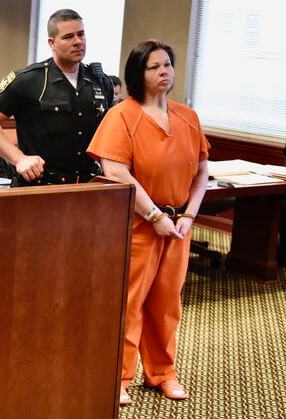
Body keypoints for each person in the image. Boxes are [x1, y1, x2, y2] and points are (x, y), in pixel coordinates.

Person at [87, 39, 209, 405]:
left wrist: (189, 215)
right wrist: (154, 216)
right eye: (154, 67)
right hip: (138, 223)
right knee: (130, 301)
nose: (164, 72)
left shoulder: (187, 115)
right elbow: (116, 171)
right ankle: (120, 376)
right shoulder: (122, 114)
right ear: (138, 73)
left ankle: (163, 373)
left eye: (168, 65)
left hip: (178, 226)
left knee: (167, 302)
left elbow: (203, 171)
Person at [0, 9, 113, 186]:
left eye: (81, 34)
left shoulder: (99, 82)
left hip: (86, 186)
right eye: (68, 37)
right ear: (52, 43)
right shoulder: (29, 79)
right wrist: (19, 159)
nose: (78, 42)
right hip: (40, 186)